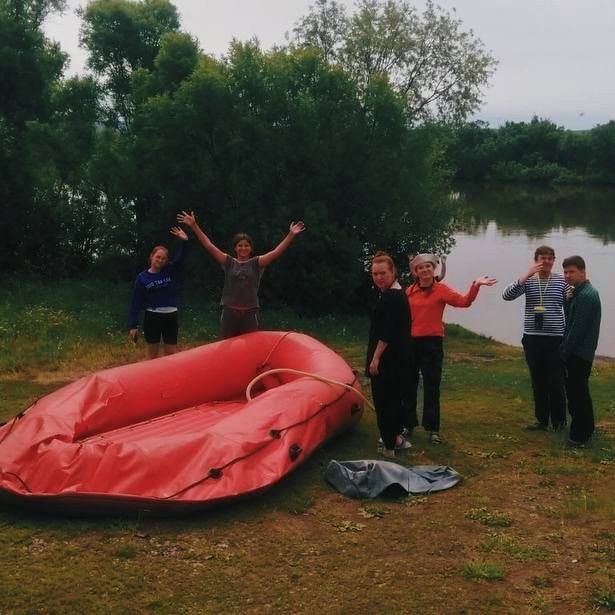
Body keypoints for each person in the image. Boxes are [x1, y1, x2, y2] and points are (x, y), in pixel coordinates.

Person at [405, 254, 496, 444]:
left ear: (433, 269)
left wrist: (476, 285)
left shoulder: (441, 290)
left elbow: (464, 302)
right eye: (420, 268)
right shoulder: (409, 292)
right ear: (416, 271)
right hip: (411, 343)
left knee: (432, 386)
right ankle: (408, 425)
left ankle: (432, 430)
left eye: (428, 266)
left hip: (432, 343)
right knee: (408, 385)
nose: (425, 270)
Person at [177, 210, 305, 338]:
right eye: (240, 245)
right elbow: (209, 246)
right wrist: (194, 225)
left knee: (249, 349)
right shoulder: (228, 261)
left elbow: (276, 252)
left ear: (251, 248)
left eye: (246, 245)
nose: (243, 248)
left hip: (249, 314)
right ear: (235, 248)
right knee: (227, 347)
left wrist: (291, 235)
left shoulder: (257, 263)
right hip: (229, 313)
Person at [502, 245, 569, 432]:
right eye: (542, 258)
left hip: (556, 339)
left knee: (556, 382)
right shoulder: (529, 281)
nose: (546, 261)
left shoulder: (561, 282)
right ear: (536, 260)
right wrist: (526, 275)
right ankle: (541, 421)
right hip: (532, 338)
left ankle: (559, 423)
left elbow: (571, 304)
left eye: (549, 258)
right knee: (538, 381)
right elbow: (507, 296)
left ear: (554, 260)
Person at [366, 252, 413, 458]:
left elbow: (386, 333)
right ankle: (396, 438)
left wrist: (375, 358)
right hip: (399, 356)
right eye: (375, 273)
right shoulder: (395, 292)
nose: (378, 277)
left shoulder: (391, 297)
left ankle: (389, 447)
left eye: (383, 273)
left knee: (384, 401)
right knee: (394, 398)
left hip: (388, 358)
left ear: (393, 272)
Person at [128, 227, 189, 359]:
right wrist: (133, 325)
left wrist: (184, 241)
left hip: (171, 315)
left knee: (171, 353)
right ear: (151, 256)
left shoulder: (169, 271)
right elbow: (136, 302)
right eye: (158, 257)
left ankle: (171, 378)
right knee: (152, 354)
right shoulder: (142, 278)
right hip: (152, 317)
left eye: (163, 258)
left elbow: (181, 258)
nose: (160, 260)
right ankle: (150, 379)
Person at [560, 256, 601, 447]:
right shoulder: (579, 293)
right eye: (565, 272)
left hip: (579, 353)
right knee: (581, 392)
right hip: (578, 352)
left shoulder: (587, 295)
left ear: (583, 271)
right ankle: (588, 429)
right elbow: (569, 319)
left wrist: (563, 354)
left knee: (576, 395)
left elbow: (576, 330)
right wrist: (567, 300)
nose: (567, 276)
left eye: (572, 272)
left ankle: (579, 437)